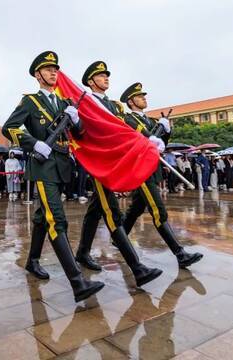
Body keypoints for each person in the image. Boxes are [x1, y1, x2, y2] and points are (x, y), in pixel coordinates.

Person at [2, 51, 104, 302]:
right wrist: (34, 143)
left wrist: (76, 119)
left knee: (42, 217)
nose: (53, 73)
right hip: (43, 167)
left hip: (61, 165)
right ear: (38, 75)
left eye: (55, 69)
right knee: (57, 219)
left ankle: (33, 260)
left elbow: (79, 134)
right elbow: (9, 128)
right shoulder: (30, 102)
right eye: (48, 70)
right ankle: (78, 283)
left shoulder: (63, 103)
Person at [75, 61, 163, 287]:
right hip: (98, 162)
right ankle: (137, 268)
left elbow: (125, 130)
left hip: (114, 161)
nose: (106, 79)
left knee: (96, 208)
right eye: (101, 76)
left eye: (107, 76)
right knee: (111, 211)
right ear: (90, 81)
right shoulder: (84, 102)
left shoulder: (115, 106)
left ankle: (83, 252)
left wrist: (149, 139)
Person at [120, 82, 203, 268]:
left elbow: (161, 144)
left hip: (152, 167)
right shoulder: (128, 119)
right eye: (140, 96)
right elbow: (146, 137)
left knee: (137, 208)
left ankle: (119, 237)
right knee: (158, 211)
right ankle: (180, 254)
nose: (144, 98)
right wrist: (156, 132)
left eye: (144, 96)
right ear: (131, 101)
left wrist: (166, 130)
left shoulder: (150, 120)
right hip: (139, 170)